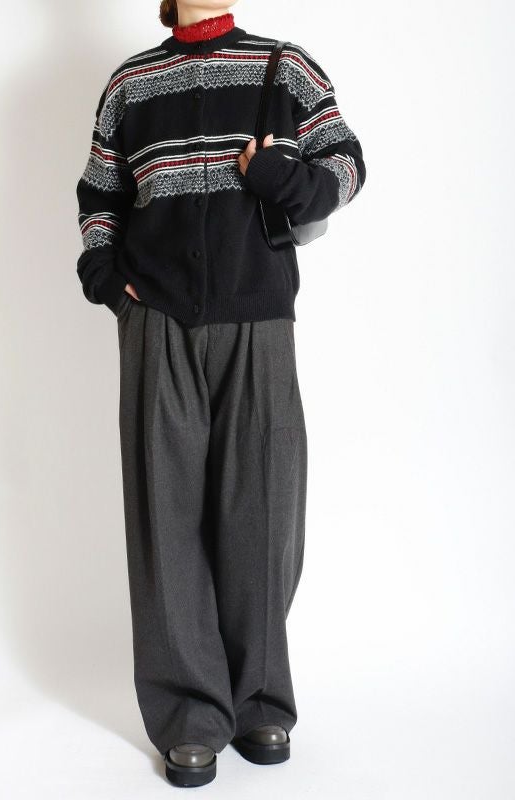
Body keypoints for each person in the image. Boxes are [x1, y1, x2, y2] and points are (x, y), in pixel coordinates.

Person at [75, 0, 366, 787]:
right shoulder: (131, 85)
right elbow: (100, 198)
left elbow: (345, 167)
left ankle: (260, 698)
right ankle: (188, 714)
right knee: (165, 513)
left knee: (263, 510)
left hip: (258, 318)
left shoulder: (285, 67)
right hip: (157, 319)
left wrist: (280, 177)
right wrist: (108, 278)